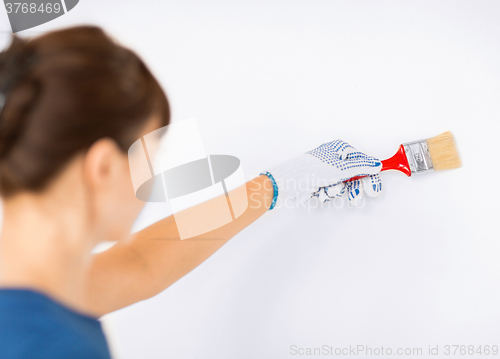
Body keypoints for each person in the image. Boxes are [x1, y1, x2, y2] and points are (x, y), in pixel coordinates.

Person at [0, 25, 382, 358]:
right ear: (102, 166)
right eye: (150, 158)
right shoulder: (54, 346)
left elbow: (139, 264)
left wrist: (277, 183)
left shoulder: (36, 288)